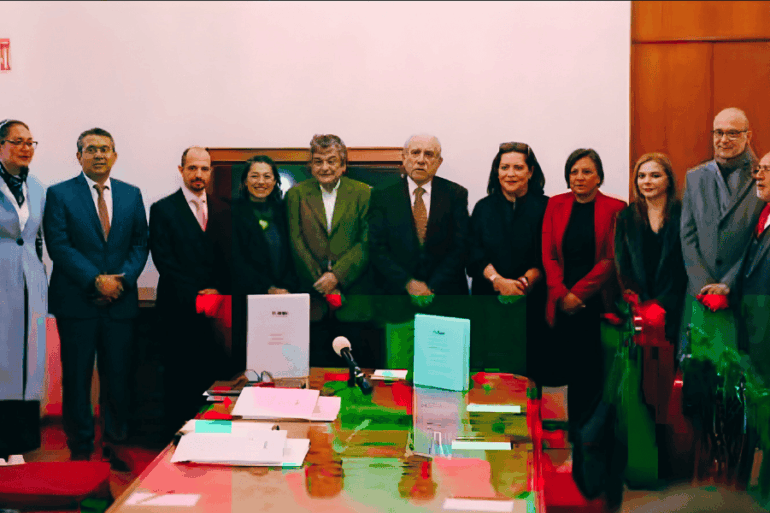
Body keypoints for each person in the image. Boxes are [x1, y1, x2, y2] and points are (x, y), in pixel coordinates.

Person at [43, 128, 149, 469]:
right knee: (76, 377)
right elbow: (58, 244)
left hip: (120, 302)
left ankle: (115, 443)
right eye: (91, 149)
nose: (99, 154)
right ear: (79, 157)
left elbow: (139, 243)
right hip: (77, 302)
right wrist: (95, 279)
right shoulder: (59, 195)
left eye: (105, 149)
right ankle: (81, 448)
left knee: (117, 376)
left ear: (115, 156)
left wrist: (123, 279)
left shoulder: (132, 195)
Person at [541, 148, 626, 433]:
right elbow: (548, 255)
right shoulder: (555, 204)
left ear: (599, 177)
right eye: (574, 171)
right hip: (560, 303)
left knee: (590, 371)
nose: (579, 177)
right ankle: (561, 431)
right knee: (559, 369)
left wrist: (578, 294)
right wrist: (560, 293)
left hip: (594, 304)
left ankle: (588, 435)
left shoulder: (616, 208)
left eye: (587, 171)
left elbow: (611, 258)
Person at [149, 146, 228, 435]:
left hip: (217, 309)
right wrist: (197, 293)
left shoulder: (223, 208)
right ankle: (177, 440)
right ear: (181, 170)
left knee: (212, 375)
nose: (198, 174)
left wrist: (217, 289)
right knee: (179, 377)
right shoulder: (162, 209)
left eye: (204, 169)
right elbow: (164, 259)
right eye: (192, 168)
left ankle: (212, 438)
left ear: (210, 171)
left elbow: (228, 257)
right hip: (178, 307)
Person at [285, 135, 374, 367]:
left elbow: (366, 242)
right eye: (318, 161)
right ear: (311, 166)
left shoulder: (364, 193)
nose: (325, 167)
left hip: (353, 301)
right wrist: (322, 283)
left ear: (343, 165)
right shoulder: (295, 195)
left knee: (356, 372)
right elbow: (296, 243)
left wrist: (337, 277)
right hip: (313, 304)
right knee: (315, 374)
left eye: (332, 161)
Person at [680, 107, 763, 353]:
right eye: (718, 132)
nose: (723, 140)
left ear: (748, 136)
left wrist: (728, 283)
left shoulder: (762, 176)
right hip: (699, 294)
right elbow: (687, 234)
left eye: (733, 133)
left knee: (742, 377)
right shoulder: (694, 177)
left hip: (743, 293)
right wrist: (702, 283)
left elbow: (759, 240)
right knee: (698, 375)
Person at [466, 142, 548, 376]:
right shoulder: (483, 208)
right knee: (491, 376)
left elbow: (548, 255)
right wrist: (498, 281)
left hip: (531, 305)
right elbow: (473, 253)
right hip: (489, 304)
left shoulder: (547, 207)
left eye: (518, 167)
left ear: (530, 171)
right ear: (497, 171)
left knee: (530, 374)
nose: (510, 174)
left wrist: (521, 284)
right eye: (504, 167)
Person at [0, 120, 47, 462]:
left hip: (30, 278)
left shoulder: (39, 187)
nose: (26, 147)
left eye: (31, 142)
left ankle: (19, 444)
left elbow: (38, 236)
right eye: (18, 141)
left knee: (27, 362)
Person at [230, 155, 297, 371]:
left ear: (275, 181)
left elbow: (294, 251)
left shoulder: (284, 210)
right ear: (245, 181)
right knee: (253, 367)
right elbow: (234, 260)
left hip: (285, 300)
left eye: (267, 176)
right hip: (249, 301)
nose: (261, 182)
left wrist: (285, 288)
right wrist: (267, 289)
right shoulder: (231, 212)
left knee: (283, 364)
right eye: (255, 176)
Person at [615, 153, 686, 344]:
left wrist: (662, 304)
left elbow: (687, 264)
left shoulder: (684, 214)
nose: (647, 181)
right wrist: (643, 303)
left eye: (655, 175)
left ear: (669, 180)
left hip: (677, 306)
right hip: (640, 306)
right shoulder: (626, 217)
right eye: (641, 176)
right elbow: (623, 265)